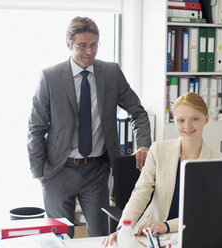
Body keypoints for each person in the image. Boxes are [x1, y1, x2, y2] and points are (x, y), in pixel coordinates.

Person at [27, 16, 151, 238]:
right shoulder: (50, 76)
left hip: (96, 172)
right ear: (68, 44)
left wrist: (143, 145)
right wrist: (39, 171)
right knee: (60, 239)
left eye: (94, 44)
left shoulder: (111, 73)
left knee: (102, 237)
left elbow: (138, 112)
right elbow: (36, 127)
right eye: (82, 45)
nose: (90, 51)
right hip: (58, 172)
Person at [102, 92, 222, 247]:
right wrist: (123, 228)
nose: (187, 126)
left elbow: (208, 212)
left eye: (195, 119)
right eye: (181, 120)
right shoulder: (159, 150)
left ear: (206, 119)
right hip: (153, 235)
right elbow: (141, 192)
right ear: (174, 121)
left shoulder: (218, 161)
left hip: (194, 235)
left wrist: (166, 226)